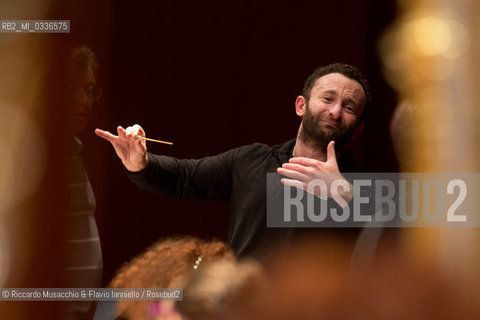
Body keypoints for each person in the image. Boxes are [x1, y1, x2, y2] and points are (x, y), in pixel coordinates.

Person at [95, 63, 370, 258]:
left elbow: (405, 232)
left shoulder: (364, 185)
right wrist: (140, 163)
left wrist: (346, 193)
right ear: (301, 105)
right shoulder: (252, 161)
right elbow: (183, 178)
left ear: (357, 129)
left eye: (348, 107)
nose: (335, 111)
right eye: (327, 98)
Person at [62, 45, 103, 320]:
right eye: (72, 90)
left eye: (89, 90)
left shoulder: (72, 150)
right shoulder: (42, 158)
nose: (84, 100)